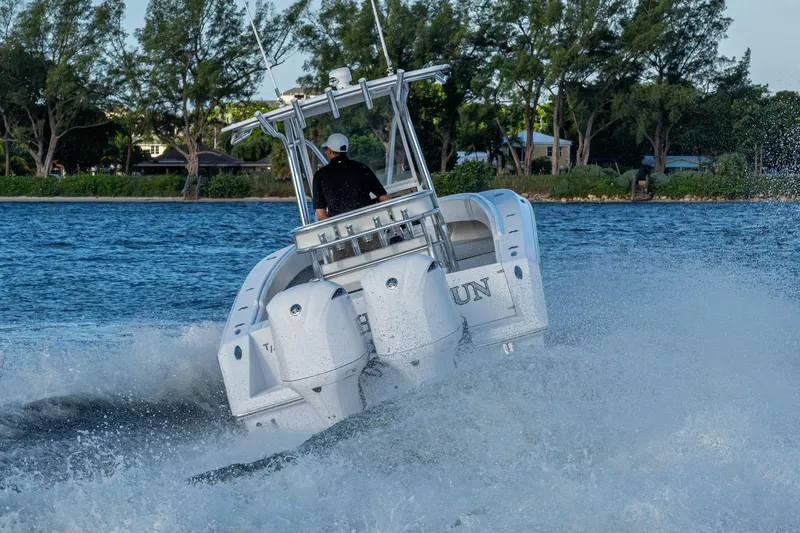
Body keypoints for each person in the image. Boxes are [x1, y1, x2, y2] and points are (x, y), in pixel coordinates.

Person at [312, 133, 390, 221]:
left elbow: (321, 215)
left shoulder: (319, 176)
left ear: (329, 151)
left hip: (342, 230)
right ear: (346, 151)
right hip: (368, 224)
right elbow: (384, 198)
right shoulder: (362, 168)